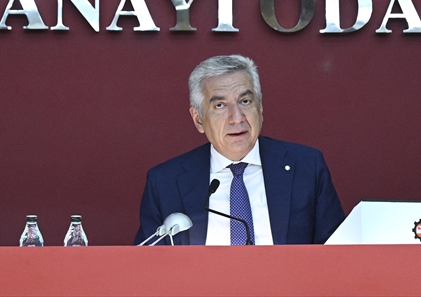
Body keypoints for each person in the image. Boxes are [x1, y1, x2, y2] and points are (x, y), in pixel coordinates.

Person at [135, 54, 344, 245]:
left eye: (245, 101)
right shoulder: (165, 183)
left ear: (260, 109)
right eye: (220, 105)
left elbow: (338, 254)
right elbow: (146, 264)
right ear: (198, 120)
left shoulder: (306, 168)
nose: (237, 118)